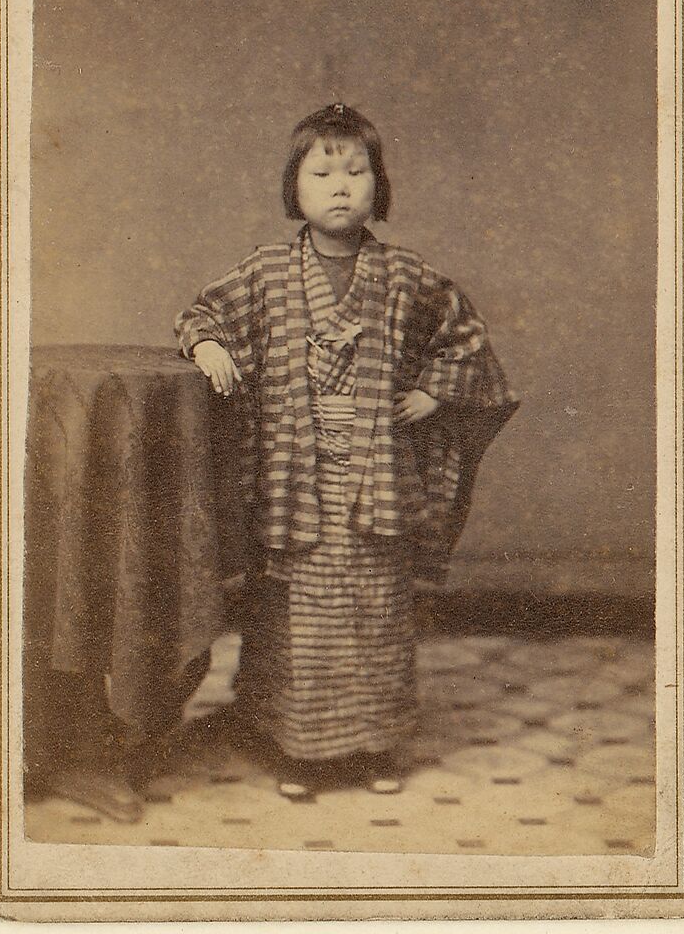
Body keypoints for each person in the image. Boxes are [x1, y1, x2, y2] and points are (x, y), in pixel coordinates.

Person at [175, 103, 517, 800]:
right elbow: (201, 313)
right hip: (295, 475)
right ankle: (296, 746)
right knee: (297, 619)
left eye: (356, 172)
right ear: (293, 186)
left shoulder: (409, 277)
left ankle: (376, 744)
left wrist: (435, 393)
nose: (340, 187)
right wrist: (208, 344)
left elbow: (467, 343)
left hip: (378, 477)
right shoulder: (267, 272)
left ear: (378, 185)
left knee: (377, 615)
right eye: (322, 171)